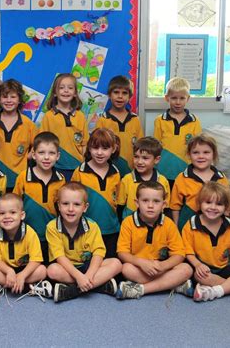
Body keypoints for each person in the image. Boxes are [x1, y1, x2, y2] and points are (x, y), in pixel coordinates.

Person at [46, 182, 122, 302]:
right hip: (68, 269)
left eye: (76, 204)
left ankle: (71, 291)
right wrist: (79, 277)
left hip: (88, 267)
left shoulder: (92, 226)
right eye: (65, 204)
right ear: (59, 206)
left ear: (85, 207)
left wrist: (88, 276)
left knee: (116, 263)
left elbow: (98, 252)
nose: (70, 209)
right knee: (52, 270)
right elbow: (59, 256)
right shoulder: (52, 227)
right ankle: (100, 286)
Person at [116, 181, 193, 299]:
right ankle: (172, 284)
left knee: (186, 269)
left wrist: (163, 266)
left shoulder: (168, 224)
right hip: (139, 268)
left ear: (163, 205)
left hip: (161, 268)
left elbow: (179, 254)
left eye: (156, 201)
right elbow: (122, 252)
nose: (150, 205)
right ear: (137, 203)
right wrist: (142, 263)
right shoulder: (128, 222)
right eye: (145, 201)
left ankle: (141, 289)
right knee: (126, 269)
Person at [181, 182, 230, 301]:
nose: (213, 207)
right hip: (203, 268)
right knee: (201, 277)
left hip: (224, 266)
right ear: (200, 204)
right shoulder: (191, 225)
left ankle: (215, 291)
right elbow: (187, 250)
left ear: (225, 207)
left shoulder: (229, 226)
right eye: (208, 202)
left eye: (219, 204)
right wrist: (197, 264)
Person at [13, 132, 66, 264]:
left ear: (58, 156)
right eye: (41, 152)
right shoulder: (23, 177)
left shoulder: (61, 180)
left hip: (52, 236)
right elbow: (14, 205)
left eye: (51, 153)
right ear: (33, 154)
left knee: (50, 269)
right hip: (27, 236)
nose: (46, 157)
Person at [0, 193, 49, 297]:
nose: (7, 217)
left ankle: (8, 285)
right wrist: (9, 271)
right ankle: (26, 288)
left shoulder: (30, 233)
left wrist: (22, 275)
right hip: (4, 270)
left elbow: (36, 259)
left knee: (42, 271)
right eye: (2, 213)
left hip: (25, 270)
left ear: (22, 215)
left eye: (13, 212)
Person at [71, 128, 121, 258]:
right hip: (86, 230)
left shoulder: (116, 173)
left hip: (111, 230)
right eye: (95, 148)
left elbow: (118, 201)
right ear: (89, 148)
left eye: (105, 148)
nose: (99, 153)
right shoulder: (79, 172)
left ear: (113, 149)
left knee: (110, 263)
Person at [170, 134, 230, 230]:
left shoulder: (221, 178)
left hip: (214, 223)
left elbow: (228, 205)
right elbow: (175, 206)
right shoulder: (182, 178)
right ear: (189, 155)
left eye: (206, 152)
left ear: (214, 154)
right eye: (196, 152)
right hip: (188, 223)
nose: (201, 156)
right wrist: (176, 228)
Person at [154, 77, 202, 187]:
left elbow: (198, 148)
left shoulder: (194, 121)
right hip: (163, 170)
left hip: (186, 171)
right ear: (167, 98)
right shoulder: (160, 120)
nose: (178, 102)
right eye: (174, 98)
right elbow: (156, 147)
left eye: (182, 98)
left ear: (188, 98)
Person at [0, 79, 36, 191]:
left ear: (19, 99)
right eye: (5, 97)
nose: (9, 100)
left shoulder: (28, 124)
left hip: (19, 177)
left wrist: (28, 156)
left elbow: (39, 144)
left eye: (13, 97)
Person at [39, 73, 88, 180]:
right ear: (55, 93)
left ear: (75, 93)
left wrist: (84, 164)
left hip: (77, 166)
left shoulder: (80, 116)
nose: (66, 91)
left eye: (70, 88)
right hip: (54, 166)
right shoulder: (49, 116)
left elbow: (84, 143)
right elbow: (42, 143)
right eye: (61, 88)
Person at [95, 75, 143, 177]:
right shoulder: (103, 120)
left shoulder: (135, 120)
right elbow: (97, 147)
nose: (120, 96)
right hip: (108, 171)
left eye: (124, 93)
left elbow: (140, 147)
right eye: (116, 92)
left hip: (131, 171)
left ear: (130, 96)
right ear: (109, 95)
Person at [117, 137, 170, 221]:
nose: (139, 162)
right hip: (131, 227)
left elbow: (166, 208)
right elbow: (120, 207)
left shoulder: (163, 181)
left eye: (145, 158)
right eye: (136, 157)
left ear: (156, 159)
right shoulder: (126, 180)